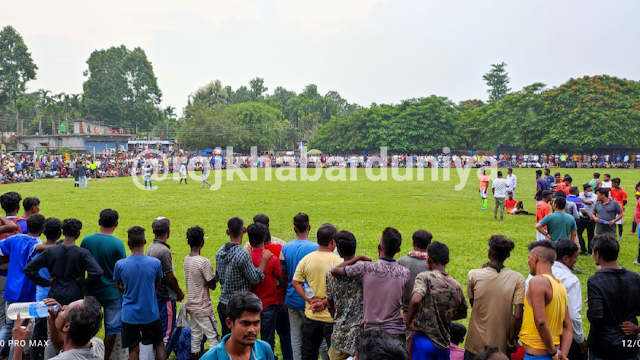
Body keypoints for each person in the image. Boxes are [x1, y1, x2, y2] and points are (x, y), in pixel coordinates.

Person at [331, 228, 409, 344]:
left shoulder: (366, 268)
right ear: (398, 250)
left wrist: (357, 258)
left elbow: (334, 271)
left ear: (379, 247)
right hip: (396, 332)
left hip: (372, 332)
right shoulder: (405, 273)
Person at [464, 235, 525, 360]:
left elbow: (474, 303)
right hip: (501, 349)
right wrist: (512, 340)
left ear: (489, 253)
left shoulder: (473, 275)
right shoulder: (518, 278)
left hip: (474, 345)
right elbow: (518, 315)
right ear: (507, 256)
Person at [406, 241, 468, 360]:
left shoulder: (424, 277)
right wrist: (444, 315)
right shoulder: (456, 285)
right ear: (448, 260)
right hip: (444, 345)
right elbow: (463, 312)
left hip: (424, 341)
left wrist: (409, 320)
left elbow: (416, 300)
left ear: (428, 260)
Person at [81, 209, 127, 360]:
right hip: (113, 292)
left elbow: (81, 265)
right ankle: (105, 357)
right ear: (116, 224)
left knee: (87, 326)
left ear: (99, 222)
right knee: (112, 329)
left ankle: (86, 354)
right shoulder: (118, 244)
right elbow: (122, 271)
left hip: (92, 290)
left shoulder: (87, 241)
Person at [114, 226, 166, 360]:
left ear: (128, 243)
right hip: (150, 312)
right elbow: (157, 284)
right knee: (159, 344)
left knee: (133, 348)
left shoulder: (120, 265)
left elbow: (119, 287)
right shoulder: (155, 263)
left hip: (129, 315)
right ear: (144, 242)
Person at [24, 218, 103, 305]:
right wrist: (82, 282)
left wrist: (45, 282)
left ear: (63, 233)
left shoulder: (51, 251)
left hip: (55, 293)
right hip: (74, 294)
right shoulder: (82, 253)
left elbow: (29, 269)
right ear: (78, 234)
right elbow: (97, 272)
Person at [292, 224, 341, 360]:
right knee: (335, 355)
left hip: (311, 315)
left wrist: (310, 300)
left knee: (308, 354)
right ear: (333, 241)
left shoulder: (307, 259)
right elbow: (339, 289)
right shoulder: (339, 261)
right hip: (331, 317)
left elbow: (295, 282)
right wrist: (324, 302)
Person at [587, 234, 640, 360]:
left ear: (596, 253)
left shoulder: (595, 281)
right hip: (630, 343)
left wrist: (592, 307)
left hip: (603, 345)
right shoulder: (635, 277)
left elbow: (596, 316)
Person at [215, 217, 269, 337]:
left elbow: (217, 276)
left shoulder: (219, 252)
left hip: (223, 302)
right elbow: (255, 278)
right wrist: (264, 260)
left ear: (227, 232)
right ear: (244, 230)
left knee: (227, 339)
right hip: (239, 305)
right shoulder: (243, 254)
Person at [0, 214, 45, 357]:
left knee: (8, 326)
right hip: (26, 293)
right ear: (42, 229)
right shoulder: (37, 244)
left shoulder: (14, 239)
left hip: (10, 290)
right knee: (20, 331)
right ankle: (15, 357)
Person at [519, 241, 572, 360]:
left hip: (538, 355)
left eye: (528, 258)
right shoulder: (560, 287)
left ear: (535, 257)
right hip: (554, 353)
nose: (528, 262)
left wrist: (553, 352)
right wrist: (562, 354)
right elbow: (568, 327)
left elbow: (540, 321)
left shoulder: (537, 281)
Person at [11, 296, 105, 360]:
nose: (62, 306)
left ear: (66, 327)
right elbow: (61, 347)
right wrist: (52, 322)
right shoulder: (98, 345)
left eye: (65, 309)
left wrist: (19, 345)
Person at [280, 213, 320, 360]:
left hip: (292, 298)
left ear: (294, 229)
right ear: (309, 227)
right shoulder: (316, 248)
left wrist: (285, 296)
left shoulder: (285, 248)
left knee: (295, 338)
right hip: (311, 300)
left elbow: (284, 277)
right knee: (316, 338)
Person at [145, 217, 185, 349]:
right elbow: (169, 277)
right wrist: (179, 292)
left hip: (155, 296)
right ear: (168, 231)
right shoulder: (163, 251)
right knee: (167, 335)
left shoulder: (151, 247)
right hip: (165, 298)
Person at [200, 292, 275, 360]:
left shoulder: (265, 349)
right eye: (245, 323)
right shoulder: (210, 358)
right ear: (229, 323)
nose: (252, 329)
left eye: (256, 323)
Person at [248, 223, 285, 356]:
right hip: (269, 304)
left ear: (250, 240)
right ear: (265, 237)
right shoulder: (272, 259)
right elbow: (282, 281)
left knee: (249, 340)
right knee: (268, 341)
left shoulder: (247, 258)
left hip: (251, 305)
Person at [183, 226, 220, 359]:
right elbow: (212, 284)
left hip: (191, 305)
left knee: (196, 336)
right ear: (202, 242)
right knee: (214, 338)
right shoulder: (203, 262)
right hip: (203, 307)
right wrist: (210, 280)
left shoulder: (187, 259)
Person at [326, 231, 363, 360]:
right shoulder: (364, 272)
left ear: (339, 252)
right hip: (360, 336)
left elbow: (330, 304)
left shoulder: (331, 275)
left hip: (339, 334)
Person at [549, 240, 587, 360]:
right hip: (564, 338)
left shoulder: (536, 274)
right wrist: (580, 339)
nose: (576, 260)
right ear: (565, 258)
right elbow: (573, 316)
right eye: (575, 257)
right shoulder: (571, 280)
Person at [397, 230, 431, 354]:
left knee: (405, 347)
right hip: (427, 315)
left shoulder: (402, 261)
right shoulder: (431, 263)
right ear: (429, 245)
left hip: (406, 313)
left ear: (413, 243)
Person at [578, 185, 597, 255]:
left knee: (591, 235)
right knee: (578, 233)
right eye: (589, 191)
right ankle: (583, 249)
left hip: (591, 218)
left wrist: (582, 200)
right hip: (582, 217)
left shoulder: (594, 196)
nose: (590, 192)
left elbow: (590, 203)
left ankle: (590, 251)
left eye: (591, 190)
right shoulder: (580, 194)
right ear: (585, 190)